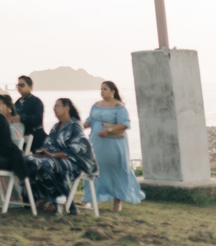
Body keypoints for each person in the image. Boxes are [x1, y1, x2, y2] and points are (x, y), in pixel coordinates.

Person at [25, 98, 99, 213]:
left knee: (44, 163)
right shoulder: (55, 127)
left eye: (57, 106)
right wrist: (38, 154)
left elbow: (74, 150)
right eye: (54, 107)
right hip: (53, 159)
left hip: (73, 162)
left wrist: (52, 155)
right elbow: (46, 148)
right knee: (27, 160)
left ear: (67, 108)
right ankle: (43, 196)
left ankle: (56, 200)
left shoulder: (75, 125)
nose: (54, 109)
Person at [83, 81, 144, 212]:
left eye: (105, 89)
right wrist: (84, 124)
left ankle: (118, 200)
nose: (102, 91)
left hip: (113, 142)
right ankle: (89, 197)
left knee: (116, 168)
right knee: (94, 166)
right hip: (97, 141)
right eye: (101, 89)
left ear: (113, 91)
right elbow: (91, 119)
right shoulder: (96, 105)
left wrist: (108, 131)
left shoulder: (119, 106)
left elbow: (125, 124)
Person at [12, 76, 46, 153]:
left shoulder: (36, 102)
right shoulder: (17, 102)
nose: (19, 87)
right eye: (18, 85)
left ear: (30, 86)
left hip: (36, 137)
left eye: (22, 85)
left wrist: (21, 118)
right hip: (21, 136)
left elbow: (38, 118)